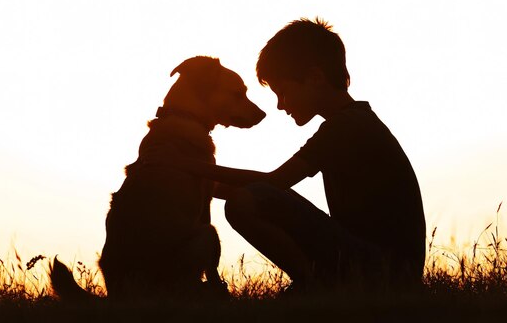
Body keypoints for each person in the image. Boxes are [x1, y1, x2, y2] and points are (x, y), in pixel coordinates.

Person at [146, 18, 426, 292]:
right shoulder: (351, 122)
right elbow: (268, 186)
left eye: (283, 92)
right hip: (379, 263)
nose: (280, 105)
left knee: (245, 201)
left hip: (386, 272)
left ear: (315, 78)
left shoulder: (347, 126)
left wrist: (185, 165)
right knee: (250, 194)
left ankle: (312, 286)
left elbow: (274, 181)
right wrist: (195, 179)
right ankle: (318, 284)